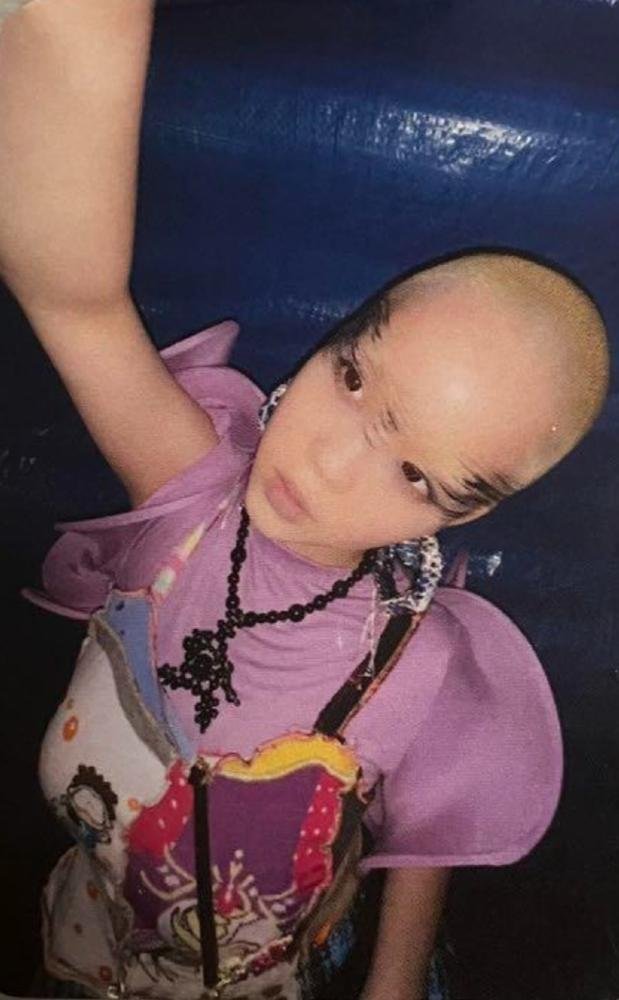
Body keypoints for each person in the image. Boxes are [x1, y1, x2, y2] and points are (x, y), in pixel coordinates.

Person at [0, 2, 609, 999]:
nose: (324, 464)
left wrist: (391, 982)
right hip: (78, 947)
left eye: (413, 474)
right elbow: (71, 295)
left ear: (460, 516)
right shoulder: (188, 498)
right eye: (352, 378)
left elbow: (418, 849)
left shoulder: (421, 669)